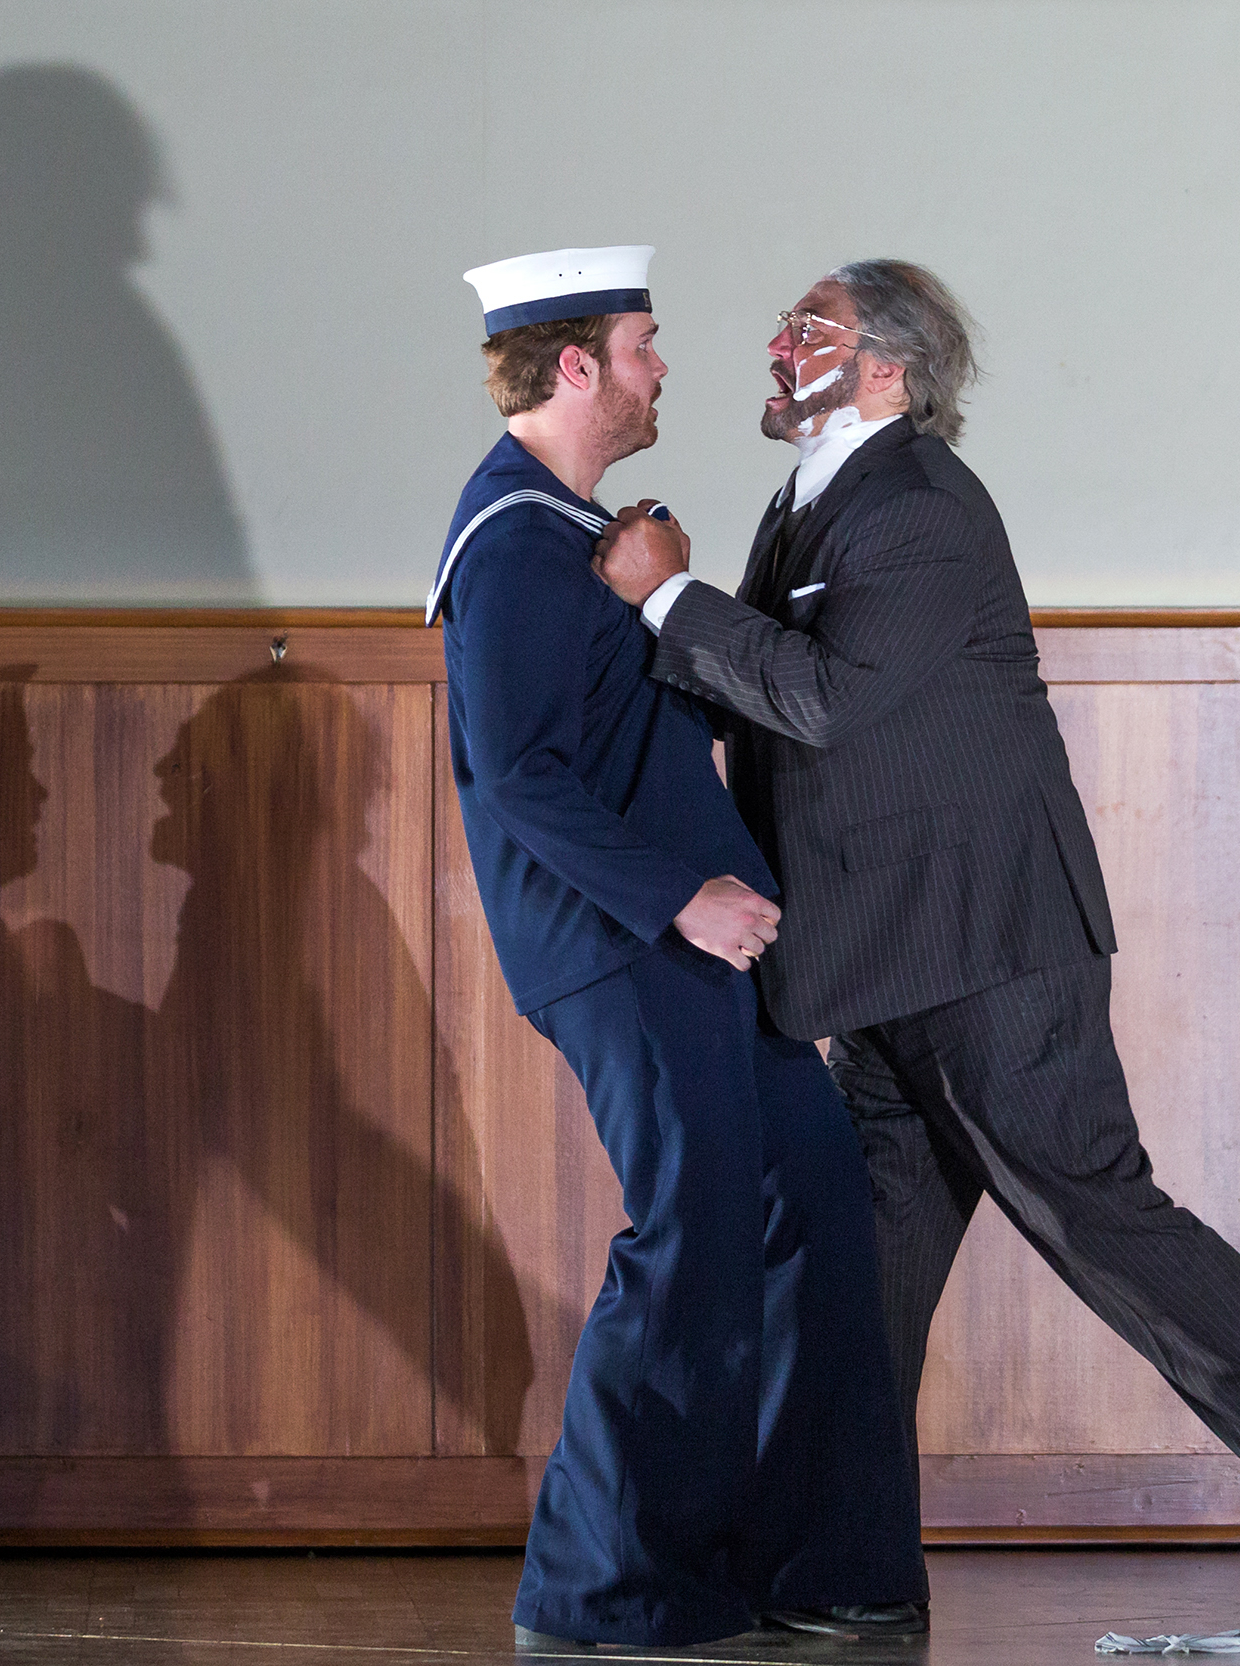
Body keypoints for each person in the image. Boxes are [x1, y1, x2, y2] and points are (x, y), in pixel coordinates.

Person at [590, 258, 1240, 1621]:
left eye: (805, 328)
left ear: (888, 363)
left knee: (1097, 1217)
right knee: (857, 1279)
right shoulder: (801, 502)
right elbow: (764, 712)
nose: (773, 344)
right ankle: (846, 1568)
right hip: (873, 960)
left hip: (989, 947)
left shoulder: (924, 507)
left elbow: (826, 701)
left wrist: (668, 600)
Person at [431, 246, 925, 1652]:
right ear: (578, 365)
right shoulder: (513, 540)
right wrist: (679, 900)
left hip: (696, 945)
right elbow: (518, 774)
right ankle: (602, 1594)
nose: (663, 370)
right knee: (692, 1239)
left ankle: (818, 1565)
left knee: (816, 1198)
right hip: (624, 946)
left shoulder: (569, 524)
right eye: (645, 345)